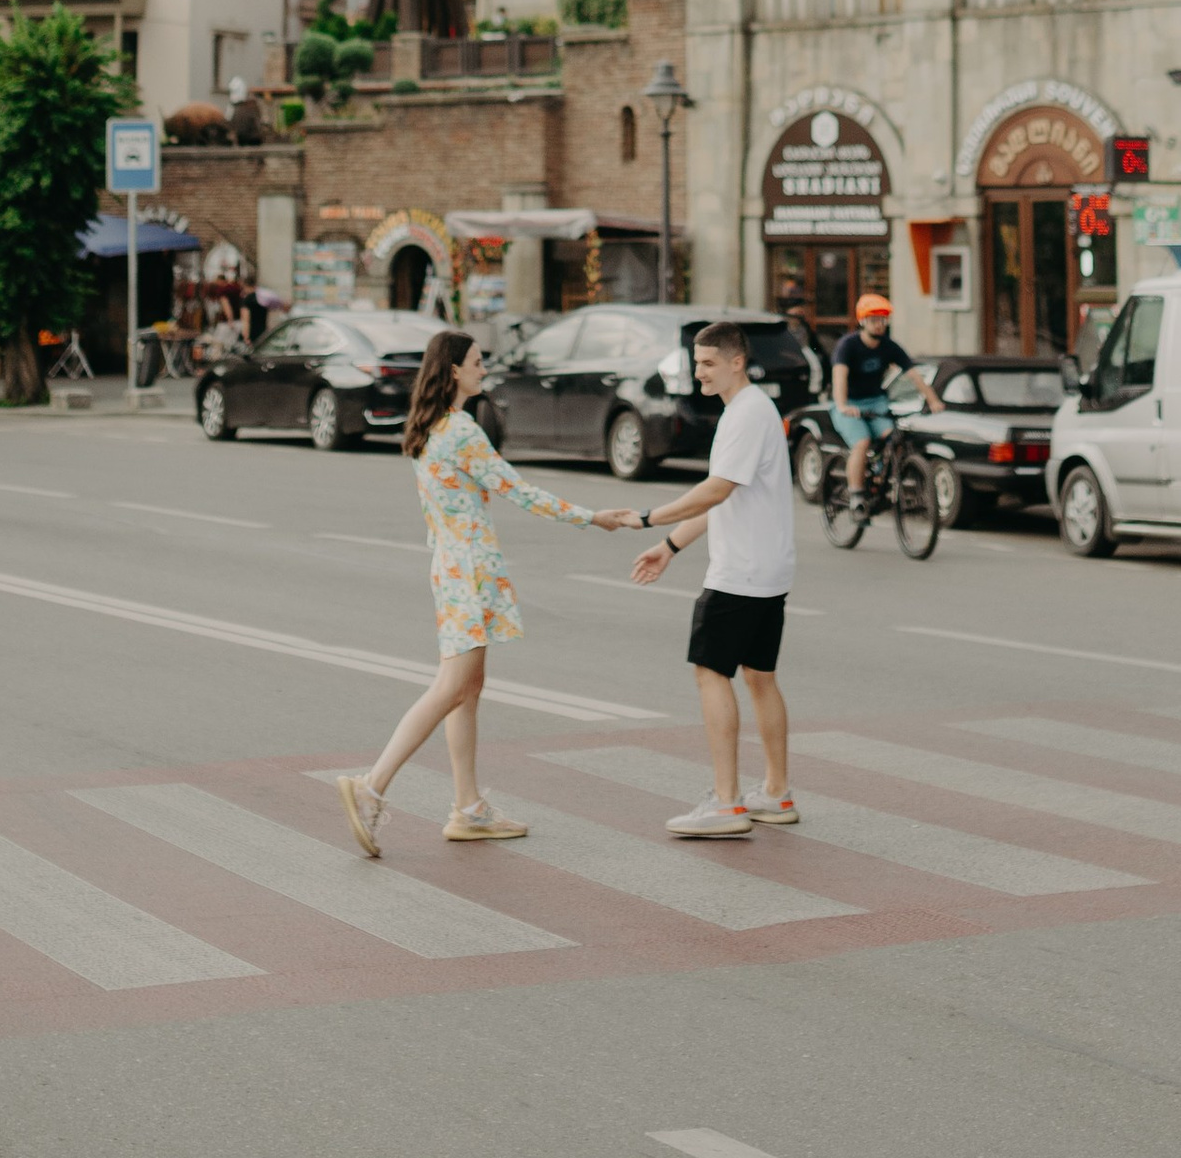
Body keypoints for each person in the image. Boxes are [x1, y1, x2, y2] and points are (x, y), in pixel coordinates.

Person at [337, 329, 624, 854]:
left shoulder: (431, 427)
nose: (483, 368)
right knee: (451, 689)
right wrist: (593, 518)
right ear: (453, 371)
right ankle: (371, 786)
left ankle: (468, 807)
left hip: (452, 568)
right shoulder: (462, 430)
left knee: (467, 691)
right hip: (468, 573)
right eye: (475, 361)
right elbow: (518, 490)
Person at [619, 318, 799, 838]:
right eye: (696, 363)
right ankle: (777, 793)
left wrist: (651, 517)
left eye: (707, 364)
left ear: (736, 362)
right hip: (767, 568)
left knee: (709, 671)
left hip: (740, 573)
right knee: (759, 675)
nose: (698, 373)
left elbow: (716, 490)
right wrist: (671, 546)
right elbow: (731, 495)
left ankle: (727, 802)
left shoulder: (743, 414)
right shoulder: (757, 409)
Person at [829, 289, 914, 501]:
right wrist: (842, 405)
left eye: (883, 320)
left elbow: (913, 374)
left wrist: (933, 400)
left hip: (876, 403)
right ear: (862, 321)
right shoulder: (847, 346)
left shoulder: (888, 346)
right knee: (862, 442)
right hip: (849, 403)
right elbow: (839, 377)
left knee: (895, 438)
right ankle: (856, 494)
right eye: (874, 320)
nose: (879, 324)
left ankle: (880, 479)